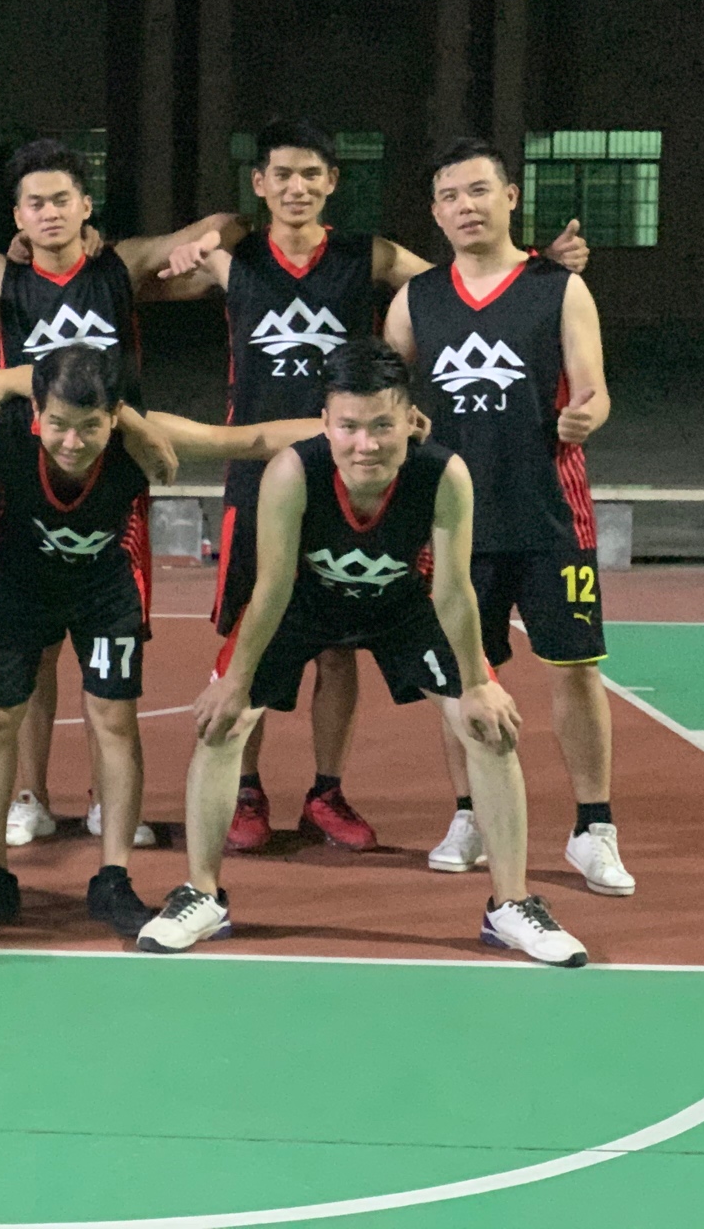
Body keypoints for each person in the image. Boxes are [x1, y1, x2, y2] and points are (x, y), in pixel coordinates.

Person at [154, 119, 590, 856]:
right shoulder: (232, 261)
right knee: (250, 634)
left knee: (337, 648)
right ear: (259, 184)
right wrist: (185, 239)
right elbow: (131, 276)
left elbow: (470, 282)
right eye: (281, 175)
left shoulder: (371, 257)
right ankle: (248, 791)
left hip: (350, 467)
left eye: (311, 175)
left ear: (333, 183)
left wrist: (544, 267)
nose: (297, 187)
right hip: (258, 479)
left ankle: (326, 791)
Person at [137, 342, 588, 967]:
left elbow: (454, 591)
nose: (365, 444)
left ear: (410, 419)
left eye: (382, 426)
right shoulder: (292, 472)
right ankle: (202, 895)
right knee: (224, 724)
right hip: (302, 603)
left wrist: (477, 683)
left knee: (490, 728)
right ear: (325, 422)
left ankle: (510, 905)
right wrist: (234, 683)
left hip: (404, 604)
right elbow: (271, 586)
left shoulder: (443, 474)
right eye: (348, 426)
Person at [0, 140, 230, 850]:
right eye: (35, 203)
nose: (49, 213)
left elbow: (228, 223)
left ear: (85, 205)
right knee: (33, 657)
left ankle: (106, 801)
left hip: (113, 486)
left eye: (62, 200)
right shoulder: (0, 274)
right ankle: (31, 796)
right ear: (17, 215)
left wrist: (206, 245)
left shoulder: (118, 266)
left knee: (109, 673)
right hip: (27, 481)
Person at [0, 348, 322, 938]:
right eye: (58, 424)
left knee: (113, 718)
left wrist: (352, 429)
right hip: (16, 586)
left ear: (114, 417)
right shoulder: (4, 428)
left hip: (106, 590)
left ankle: (113, 877)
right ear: (36, 412)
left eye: (90, 426)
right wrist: (32, 379)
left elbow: (253, 440)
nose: (72, 442)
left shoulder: (140, 439)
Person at [384, 137, 633, 897]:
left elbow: (594, 388)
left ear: (510, 197)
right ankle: (469, 814)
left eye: (479, 190)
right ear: (435, 213)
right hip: (454, 520)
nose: (465, 206)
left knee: (576, 668)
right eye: (450, 196)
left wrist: (588, 413)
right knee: (460, 675)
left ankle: (594, 827)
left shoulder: (559, 289)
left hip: (552, 513)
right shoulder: (417, 299)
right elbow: (385, 393)